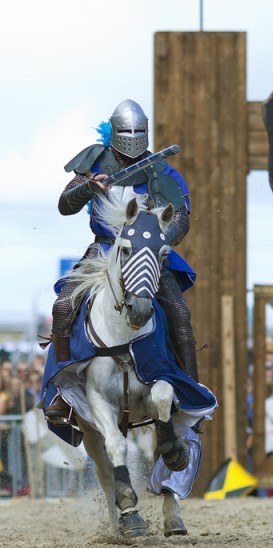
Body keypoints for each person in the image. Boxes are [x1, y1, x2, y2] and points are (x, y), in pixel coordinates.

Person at [45, 99, 198, 424]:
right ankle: (64, 392)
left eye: (138, 131)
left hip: (145, 253)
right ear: (115, 131)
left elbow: (181, 220)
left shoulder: (160, 170)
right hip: (103, 251)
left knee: (179, 312)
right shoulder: (94, 163)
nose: (132, 136)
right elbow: (65, 206)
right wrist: (87, 187)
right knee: (63, 307)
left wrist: (157, 240)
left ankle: (188, 392)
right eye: (127, 131)